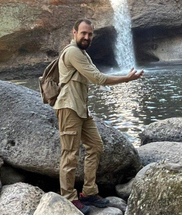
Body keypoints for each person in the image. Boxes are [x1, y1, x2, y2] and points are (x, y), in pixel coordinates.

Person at [54, 19, 144, 214]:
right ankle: (68, 197)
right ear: (74, 32)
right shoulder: (72, 52)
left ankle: (88, 192)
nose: (86, 37)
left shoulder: (82, 53)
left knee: (95, 146)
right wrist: (126, 79)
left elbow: (94, 76)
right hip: (68, 108)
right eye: (83, 33)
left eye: (90, 34)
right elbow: (98, 79)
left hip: (81, 110)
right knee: (70, 154)